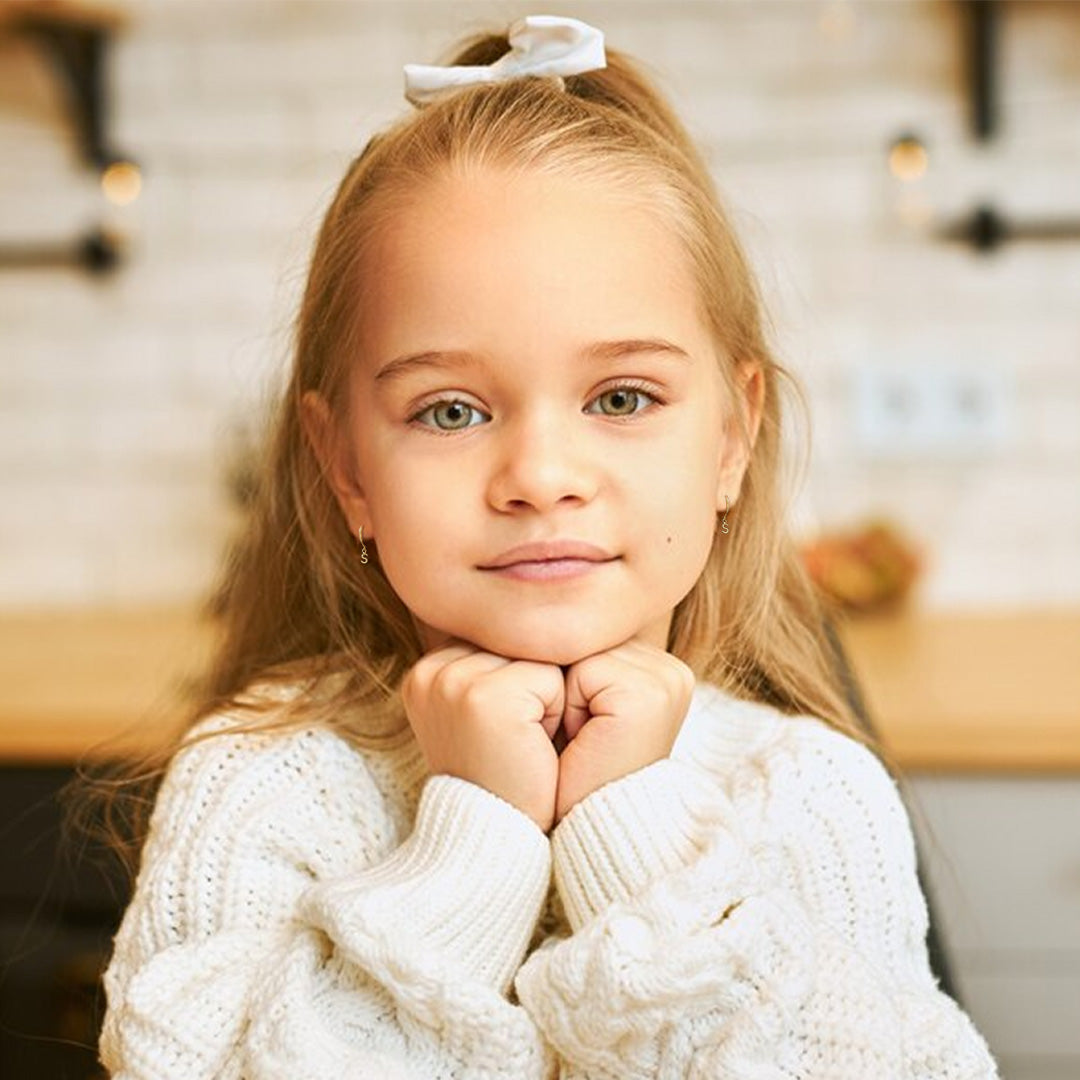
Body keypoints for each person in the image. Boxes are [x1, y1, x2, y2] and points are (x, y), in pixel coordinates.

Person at [93, 14, 1001, 1078]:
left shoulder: (805, 795)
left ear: (731, 438)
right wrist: (471, 846)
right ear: (345, 470)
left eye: (621, 396)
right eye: (449, 412)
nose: (539, 474)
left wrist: (633, 835)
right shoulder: (258, 787)